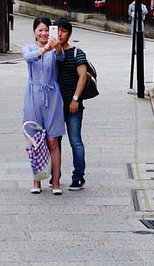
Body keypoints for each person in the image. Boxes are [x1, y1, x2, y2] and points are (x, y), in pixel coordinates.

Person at [21, 16, 65, 194]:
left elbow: (61, 57)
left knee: (53, 140)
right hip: (33, 95)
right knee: (35, 140)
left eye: (47, 30)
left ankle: (56, 182)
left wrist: (56, 46)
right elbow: (28, 57)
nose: (44, 33)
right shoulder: (29, 48)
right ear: (34, 32)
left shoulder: (55, 48)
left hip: (52, 95)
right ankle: (37, 181)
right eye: (40, 30)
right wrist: (44, 49)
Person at [54, 18, 90, 191]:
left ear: (69, 34)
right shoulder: (51, 53)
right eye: (57, 30)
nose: (60, 34)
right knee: (55, 142)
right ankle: (55, 176)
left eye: (64, 31)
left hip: (73, 104)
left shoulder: (77, 52)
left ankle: (78, 177)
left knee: (75, 140)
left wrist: (75, 99)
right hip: (55, 106)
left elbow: (83, 76)